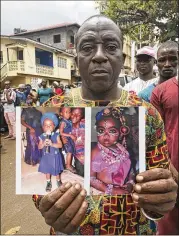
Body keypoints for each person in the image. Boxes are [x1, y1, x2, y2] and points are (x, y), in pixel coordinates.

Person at [32, 15, 177, 235]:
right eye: (88, 47)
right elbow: (38, 185)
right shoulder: (53, 109)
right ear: (76, 57)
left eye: (110, 47)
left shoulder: (148, 114)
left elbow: (159, 185)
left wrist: (159, 201)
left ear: (122, 57)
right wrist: (47, 205)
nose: (99, 56)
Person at [150, 41, 179, 235]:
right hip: (171, 170)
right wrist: (168, 168)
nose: (167, 64)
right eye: (162, 60)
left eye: (173, 59)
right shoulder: (156, 92)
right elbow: (154, 138)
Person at [91, 107, 133, 195]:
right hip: (104, 192)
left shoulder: (122, 150)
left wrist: (130, 183)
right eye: (101, 130)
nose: (106, 135)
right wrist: (112, 191)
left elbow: (130, 171)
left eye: (112, 131)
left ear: (121, 133)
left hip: (122, 189)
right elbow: (91, 179)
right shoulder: (96, 152)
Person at [38, 112, 64, 192]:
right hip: (46, 157)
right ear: (43, 127)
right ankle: (48, 182)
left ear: (54, 126)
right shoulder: (42, 136)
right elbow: (39, 147)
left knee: (56, 170)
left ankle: (58, 180)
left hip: (55, 156)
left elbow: (60, 145)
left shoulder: (56, 135)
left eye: (50, 125)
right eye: (46, 125)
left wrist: (52, 144)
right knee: (47, 170)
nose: (48, 127)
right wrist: (43, 144)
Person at [59, 107, 76, 173]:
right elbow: (61, 132)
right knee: (69, 152)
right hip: (66, 139)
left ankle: (68, 164)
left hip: (70, 139)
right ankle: (68, 165)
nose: (68, 114)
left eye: (69, 112)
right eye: (66, 112)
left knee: (71, 151)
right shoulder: (63, 122)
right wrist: (70, 135)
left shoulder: (68, 121)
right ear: (61, 114)